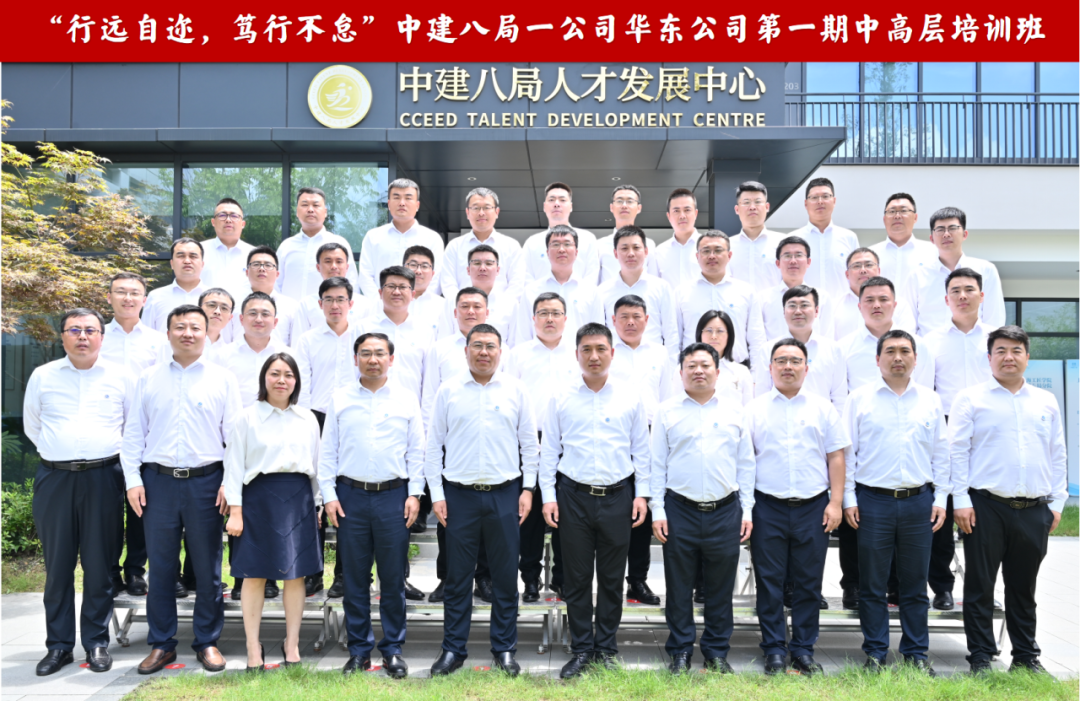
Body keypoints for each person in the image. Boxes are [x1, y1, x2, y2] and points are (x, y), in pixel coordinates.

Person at [121, 304, 242, 675]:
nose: (187, 333)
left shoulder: (223, 379)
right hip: (157, 483)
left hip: (207, 483)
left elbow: (235, 438)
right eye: (180, 327)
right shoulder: (148, 378)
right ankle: (162, 643)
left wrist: (229, 483)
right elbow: (133, 433)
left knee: (207, 568)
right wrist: (133, 480)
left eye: (194, 327)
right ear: (168, 332)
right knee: (161, 568)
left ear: (206, 333)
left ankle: (207, 641)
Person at [952, 326, 1068, 676]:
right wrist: (961, 499)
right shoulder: (971, 398)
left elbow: (1057, 453)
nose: (1008, 357)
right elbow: (957, 452)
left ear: (1027, 357)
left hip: (1034, 509)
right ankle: (981, 657)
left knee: (1023, 588)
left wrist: (1057, 503)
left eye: (1016, 351)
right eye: (1001, 351)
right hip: (985, 506)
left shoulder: (1045, 400)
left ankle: (1026, 657)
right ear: (989, 358)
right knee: (980, 586)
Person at [425, 324, 539, 677]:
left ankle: (504, 648)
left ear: (500, 351)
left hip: (505, 494)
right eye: (477, 345)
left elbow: (529, 444)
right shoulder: (448, 390)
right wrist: (437, 494)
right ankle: (453, 649)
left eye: (491, 346)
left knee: (504, 577)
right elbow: (433, 446)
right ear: (466, 350)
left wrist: (528, 489)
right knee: (458, 578)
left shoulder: (516, 390)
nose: (484, 352)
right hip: (459, 496)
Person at [25, 308, 132, 677]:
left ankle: (96, 642)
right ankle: (58, 646)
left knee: (100, 566)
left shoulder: (121, 376)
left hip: (104, 477)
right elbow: (33, 426)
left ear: (102, 336)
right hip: (55, 479)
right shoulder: (43, 376)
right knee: (57, 568)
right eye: (74, 330)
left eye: (90, 330)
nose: (82, 336)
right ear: (63, 336)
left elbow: (131, 427)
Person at [540, 323, 650, 679]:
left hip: (619, 496)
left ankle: (606, 649)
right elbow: (549, 450)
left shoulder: (630, 396)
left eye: (601, 349)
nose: (594, 356)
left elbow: (641, 450)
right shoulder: (560, 396)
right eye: (586, 349)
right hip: (573, 496)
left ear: (612, 353)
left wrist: (642, 494)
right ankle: (582, 649)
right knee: (577, 578)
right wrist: (548, 497)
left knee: (612, 578)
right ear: (576, 354)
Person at [842, 330, 950, 674]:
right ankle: (875, 654)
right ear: (877, 360)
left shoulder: (930, 400)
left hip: (919, 501)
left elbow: (942, 452)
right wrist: (848, 498)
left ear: (916, 359)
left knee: (915, 584)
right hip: (873, 501)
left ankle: (916, 654)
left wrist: (942, 497)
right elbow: (848, 453)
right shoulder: (859, 399)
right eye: (890, 351)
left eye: (905, 351)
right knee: (873, 584)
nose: (898, 357)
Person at [319, 332, 425, 678]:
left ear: (391, 359)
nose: (373, 359)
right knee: (354, 578)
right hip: (350, 496)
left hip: (394, 496)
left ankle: (392, 649)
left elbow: (417, 452)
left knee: (392, 579)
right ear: (356, 359)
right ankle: (359, 651)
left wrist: (415, 494)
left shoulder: (406, 399)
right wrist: (329, 494)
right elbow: (328, 451)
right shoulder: (340, 399)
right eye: (366, 353)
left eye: (380, 353)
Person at [746, 338, 848, 676]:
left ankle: (803, 650)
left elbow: (836, 456)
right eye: (781, 360)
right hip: (767, 507)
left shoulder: (823, 408)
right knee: (769, 582)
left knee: (808, 583)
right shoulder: (754, 409)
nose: (787, 366)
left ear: (806, 367)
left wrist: (836, 502)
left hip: (813, 507)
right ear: (770, 367)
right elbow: (745, 461)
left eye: (795, 360)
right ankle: (774, 649)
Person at [651, 342, 755, 674]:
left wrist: (747, 510)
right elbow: (657, 464)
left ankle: (716, 652)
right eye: (691, 366)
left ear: (717, 372)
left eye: (705, 365)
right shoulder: (666, 411)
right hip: (679, 509)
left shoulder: (735, 411)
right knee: (679, 586)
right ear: (681, 372)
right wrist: (657, 509)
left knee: (720, 588)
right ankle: (680, 651)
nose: (698, 371)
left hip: (725, 510)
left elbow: (746, 464)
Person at [223, 353, 322, 671]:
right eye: (275, 373)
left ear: (297, 381)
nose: (282, 380)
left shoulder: (307, 418)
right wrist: (235, 510)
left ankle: (291, 644)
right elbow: (233, 466)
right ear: (264, 378)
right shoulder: (246, 417)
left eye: (289, 374)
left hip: (298, 500)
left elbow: (317, 465)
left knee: (296, 575)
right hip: (257, 500)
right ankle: (253, 647)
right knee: (253, 574)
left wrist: (318, 503)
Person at [921, 268, 994, 611]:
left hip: (988, 427)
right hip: (947, 425)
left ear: (982, 295)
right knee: (944, 510)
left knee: (984, 509)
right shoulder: (931, 341)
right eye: (956, 291)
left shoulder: (995, 338)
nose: (962, 296)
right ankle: (942, 586)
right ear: (946, 298)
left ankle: (982, 588)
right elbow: (925, 390)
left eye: (969, 289)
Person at [420, 287, 495, 604]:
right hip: (451, 443)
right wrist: (430, 442)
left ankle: (484, 578)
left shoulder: (497, 347)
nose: (471, 311)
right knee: (447, 515)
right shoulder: (439, 349)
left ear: (487, 311)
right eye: (464, 306)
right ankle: (448, 577)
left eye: (477, 306)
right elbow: (429, 397)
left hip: (489, 444)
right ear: (455, 312)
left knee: (488, 519)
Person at [503, 292, 578, 602]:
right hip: (529, 440)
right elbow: (507, 397)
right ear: (533, 319)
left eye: (556, 313)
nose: (549, 318)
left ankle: (562, 578)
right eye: (543, 313)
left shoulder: (576, 353)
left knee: (566, 513)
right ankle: (530, 579)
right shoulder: (518, 354)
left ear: (565, 319)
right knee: (530, 515)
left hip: (569, 441)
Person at [295, 276, 363, 597]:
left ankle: (344, 574)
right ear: (320, 304)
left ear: (351, 303)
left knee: (346, 494)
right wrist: (307, 425)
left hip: (353, 420)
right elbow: (303, 385)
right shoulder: (307, 340)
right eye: (329, 300)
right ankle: (313, 572)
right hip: (315, 420)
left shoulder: (362, 337)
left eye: (341, 299)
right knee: (314, 496)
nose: (335, 305)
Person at [101, 273, 165, 597]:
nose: (128, 298)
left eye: (134, 293)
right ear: (109, 297)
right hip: (107, 435)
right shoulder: (98, 337)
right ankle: (111, 571)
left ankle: (136, 570)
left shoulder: (158, 341)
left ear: (144, 300)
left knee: (141, 506)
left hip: (144, 435)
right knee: (109, 510)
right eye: (121, 292)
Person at [607, 295, 670, 605]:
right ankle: (610, 580)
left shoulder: (661, 354)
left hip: (651, 434)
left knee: (643, 508)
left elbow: (668, 397)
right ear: (613, 320)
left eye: (636, 316)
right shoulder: (606, 350)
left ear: (647, 319)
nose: (630, 322)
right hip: (615, 435)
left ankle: (638, 580)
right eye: (624, 316)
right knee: (616, 509)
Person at [904, 206, 1006, 336]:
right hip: (929, 347)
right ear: (932, 239)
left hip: (975, 346)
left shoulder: (985, 270)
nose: (946, 234)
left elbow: (994, 319)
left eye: (952, 228)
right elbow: (909, 322)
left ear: (965, 234)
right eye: (940, 230)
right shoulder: (917, 276)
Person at [674, 230, 766, 368]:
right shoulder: (682, 292)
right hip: (694, 370)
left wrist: (755, 374)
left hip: (737, 370)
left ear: (729, 255)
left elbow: (756, 338)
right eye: (706, 251)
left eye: (718, 250)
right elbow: (675, 339)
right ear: (697, 256)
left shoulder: (746, 291)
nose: (712, 256)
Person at [756, 286, 847, 411]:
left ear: (817, 311)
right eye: (792, 306)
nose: (798, 311)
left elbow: (839, 398)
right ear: (784, 312)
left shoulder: (833, 349)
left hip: (821, 420)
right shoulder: (767, 350)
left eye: (804, 305)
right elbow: (762, 394)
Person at [513, 226, 604, 346]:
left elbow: (597, 336)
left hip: (578, 357)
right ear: (547, 252)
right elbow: (523, 337)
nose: (561, 249)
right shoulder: (531, 291)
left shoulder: (591, 292)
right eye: (555, 244)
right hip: (539, 357)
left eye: (567, 244)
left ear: (576, 252)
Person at [840, 277, 934, 394]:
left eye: (883, 299)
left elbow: (925, 392)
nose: (876, 305)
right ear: (859, 307)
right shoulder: (843, 348)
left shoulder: (919, 345)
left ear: (894, 305)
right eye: (870, 300)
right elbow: (841, 396)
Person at [598, 226, 679, 360]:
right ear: (615, 253)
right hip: (615, 364)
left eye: (636, 248)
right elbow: (599, 334)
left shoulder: (661, 287)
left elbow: (671, 333)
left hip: (653, 362)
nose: (631, 253)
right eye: (624, 248)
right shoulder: (602, 291)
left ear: (646, 251)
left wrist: (671, 368)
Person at [360, 266, 438, 401]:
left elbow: (429, 380)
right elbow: (351, 373)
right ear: (380, 292)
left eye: (403, 287)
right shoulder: (363, 328)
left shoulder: (424, 331)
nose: (396, 292)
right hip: (368, 406)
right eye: (391, 286)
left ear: (412, 294)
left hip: (410, 408)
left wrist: (425, 414)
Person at [358, 178, 444, 297]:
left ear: (417, 205)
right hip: (381, 304)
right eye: (396, 197)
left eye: (408, 198)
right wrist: (381, 302)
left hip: (422, 305)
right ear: (389, 204)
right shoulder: (373, 237)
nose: (402, 203)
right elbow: (365, 276)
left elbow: (437, 277)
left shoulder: (432, 238)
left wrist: (420, 302)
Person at [440, 187, 525, 301]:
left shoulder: (511, 246)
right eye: (475, 208)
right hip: (463, 309)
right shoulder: (454, 246)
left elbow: (517, 284)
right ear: (467, 213)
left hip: (502, 310)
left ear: (496, 212)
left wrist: (499, 307)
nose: (481, 213)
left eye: (487, 207)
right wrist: (465, 306)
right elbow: (448, 284)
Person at [276, 187, 358, 300]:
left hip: (328, 310)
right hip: (290, 310)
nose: (310, 209)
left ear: (325, 212)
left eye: (316, 205)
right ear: (297, 212)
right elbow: (275, 283)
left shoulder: (339, 244)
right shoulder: (286, 246)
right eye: (305, 205)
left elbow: (352, 282)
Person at [216, 292, 294, 408]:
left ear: (275, 322)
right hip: (234, 419)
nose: (258, 319)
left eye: (265, 314)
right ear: (241, 319)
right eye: (252, 313)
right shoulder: (223, 354)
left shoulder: (290, 355)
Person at [786, 178, 860, 300]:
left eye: (825, 196)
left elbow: (857, 277)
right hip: (804, 308)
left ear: (834, 201)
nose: (820, 201)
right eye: (814, 197)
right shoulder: (792, 239)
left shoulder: (849, 238)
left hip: (840, 308)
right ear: (806, 204)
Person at [756, 236, 836, 343]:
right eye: (787, 256)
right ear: (778, 263)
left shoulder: (822, 297)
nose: (793, 261)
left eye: (798, 255)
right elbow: (758, 338)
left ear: (808, 262)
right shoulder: (763, 298)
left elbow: (827, 338)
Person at [521, 182, 600, 284]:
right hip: (541, 294)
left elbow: (592, 275)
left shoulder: (588, 239)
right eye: (551, 200)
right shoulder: (532, 242)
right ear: (544, 206)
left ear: (571, 206)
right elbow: (526, 277)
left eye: (562, 200)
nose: (556, 204)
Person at [294, 242, 376, 337]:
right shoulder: (306, 304)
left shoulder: (364, 303)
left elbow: (371, 339)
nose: (333, 266)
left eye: (339, 261)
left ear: (347, 267)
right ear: (318, 267)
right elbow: (298, 341)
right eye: (328, 261)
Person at [834, 248, 917, 341]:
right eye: (856, 266)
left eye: (869, 265)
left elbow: (907, 341)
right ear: (847, 274)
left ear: (879, 270)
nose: (863, 270)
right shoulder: (835, 306)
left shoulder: (900, 304)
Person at [228, 246, 300, 346]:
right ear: (247, 272)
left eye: (268, 265)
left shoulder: (292, 306)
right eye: (256, 264)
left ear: (277, 274)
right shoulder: (232, 304)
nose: (262, 269)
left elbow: (296, 343)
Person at [444, 245, 516, 342]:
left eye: (489, 263)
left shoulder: (511, 304)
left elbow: (515, 344)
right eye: (477, 263)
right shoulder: (452, 301)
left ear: (498, 270)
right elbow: (444, 341)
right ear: (468, 270)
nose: (482, 268)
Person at [870, 193, 937, 292]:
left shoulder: (933, 252)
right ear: (884, 219)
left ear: (915, 217)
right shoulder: (870, 254)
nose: (897, 216)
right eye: (892, 211)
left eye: (904, 211)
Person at [142, 238, 208, 331]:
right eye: (181, 256)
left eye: (193, 256)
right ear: (172, 263)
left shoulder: (215, 299)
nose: (187, 261)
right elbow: (145, 334)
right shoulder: (155, 296)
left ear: (202, 264)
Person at [597, 185, 658, 283]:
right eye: (619, 201)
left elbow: (653, 279)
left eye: (630, 201)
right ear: (611, 207)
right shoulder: (599, 245)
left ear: (639, 208)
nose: (624, 205)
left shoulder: (649, 244)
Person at [727, 181, 782, 289]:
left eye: (758, 202)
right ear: (737, 209)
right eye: (746, 202)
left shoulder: (783, 243)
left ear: (767, 207)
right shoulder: (726, 246)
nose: (752, 207)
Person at [199, 197, 255, 302]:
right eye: (222, 215)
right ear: (213, 222)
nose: (228, 220)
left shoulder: (254, 254)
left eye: (234, 216)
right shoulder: (198, 251)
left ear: (243, 224)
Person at [652, 188, 702, 288]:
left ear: (696, 213)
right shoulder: (659, 252)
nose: (682, 216)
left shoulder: (709, 247)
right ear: (668, 216)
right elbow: (654, 286)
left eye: (687, 210)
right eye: (676, 211)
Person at [405, 245, 453, 340]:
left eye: (424, 266)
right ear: (403, 268)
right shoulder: (389, 302)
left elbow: (446, 340)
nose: (418, 271)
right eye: (413, 265)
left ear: (432, 274)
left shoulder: (443, 305)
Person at [198, 288, 235, 352]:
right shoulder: (182, 345)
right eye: (211, 305)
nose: (217, 312)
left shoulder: (231, 353)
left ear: (230, 318)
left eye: (224, 308)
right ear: (198, 311)